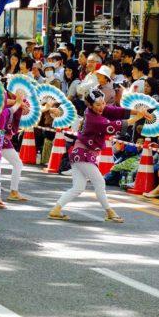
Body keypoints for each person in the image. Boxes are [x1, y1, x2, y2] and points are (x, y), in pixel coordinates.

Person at [48, 88, 149, 222]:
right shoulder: (93, 119)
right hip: (84, 154)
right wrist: (136, 118)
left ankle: (56, 209)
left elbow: (114, 110)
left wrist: (137, 111)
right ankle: (110, 212)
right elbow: (113, 126)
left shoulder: (94, 110)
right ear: (89, 105)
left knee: (78, 187)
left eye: (103, 103)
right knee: (99, 182)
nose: (102, 107)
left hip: (80, 153)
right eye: (98, 105)